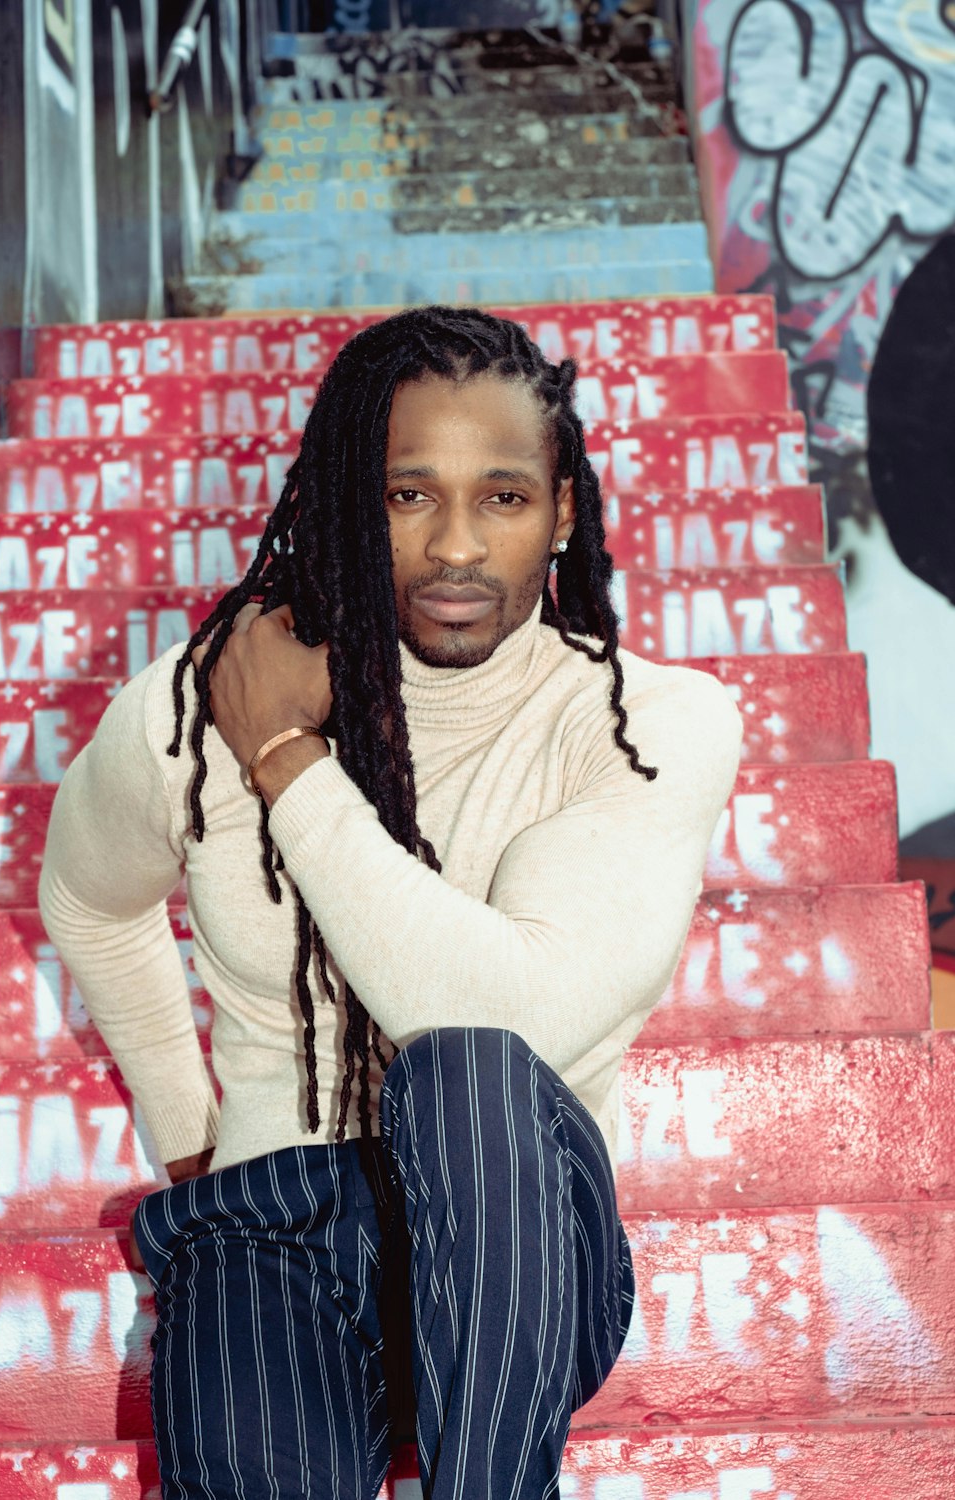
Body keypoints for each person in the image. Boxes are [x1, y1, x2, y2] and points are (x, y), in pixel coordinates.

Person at [38, 306, 743, 1500]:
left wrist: (288, 767)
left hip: (521, 1245)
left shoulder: (648, 724)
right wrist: (189, 1130)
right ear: (345, 504)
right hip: (275, 1232)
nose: (456, 546)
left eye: (503, 497)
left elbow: (506, 1020)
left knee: (464, 1069)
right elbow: (87, 898)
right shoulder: (186, 706)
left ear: (562, 511)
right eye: (410, 495)